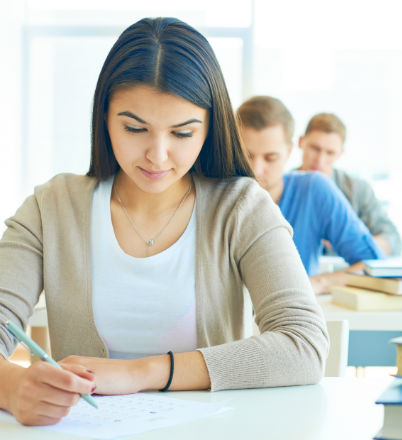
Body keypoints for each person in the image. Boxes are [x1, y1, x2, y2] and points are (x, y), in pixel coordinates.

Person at [0, 17, 328, 427]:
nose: (157, 155)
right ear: (104, 118)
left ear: (210, 128)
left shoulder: (242, 207)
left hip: (213, 432)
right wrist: (12, 387)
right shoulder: (51, 208)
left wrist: (140, 372)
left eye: (182, 133)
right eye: (135, 128)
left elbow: (304, 344)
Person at [236, 96, 385, 295]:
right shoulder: (212, 193)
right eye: (247, 155)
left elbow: (375, 267)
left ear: (290, 150)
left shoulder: (314, 190)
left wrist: (318, 283)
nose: (256, 170)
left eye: (271, 158)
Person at [298, 113, 402, 256]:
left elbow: (393, 240)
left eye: (330, 153)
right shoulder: (281, 186)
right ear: (300, 142)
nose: (320, 160)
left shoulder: (358, 190)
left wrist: (352, 241)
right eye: (315, 149)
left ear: (341, 153)